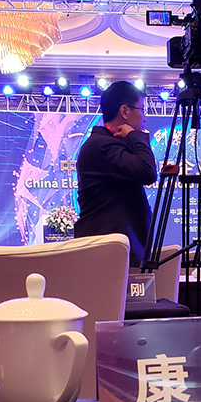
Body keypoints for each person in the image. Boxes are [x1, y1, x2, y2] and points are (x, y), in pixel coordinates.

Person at [75, 81, 157, 267]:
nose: (144, 118)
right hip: (105, 254)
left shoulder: (108, 144)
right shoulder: (101, 145)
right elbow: (147, 172)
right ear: (125, 111)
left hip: (113, 251)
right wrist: (135, 136)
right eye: (142, 110)